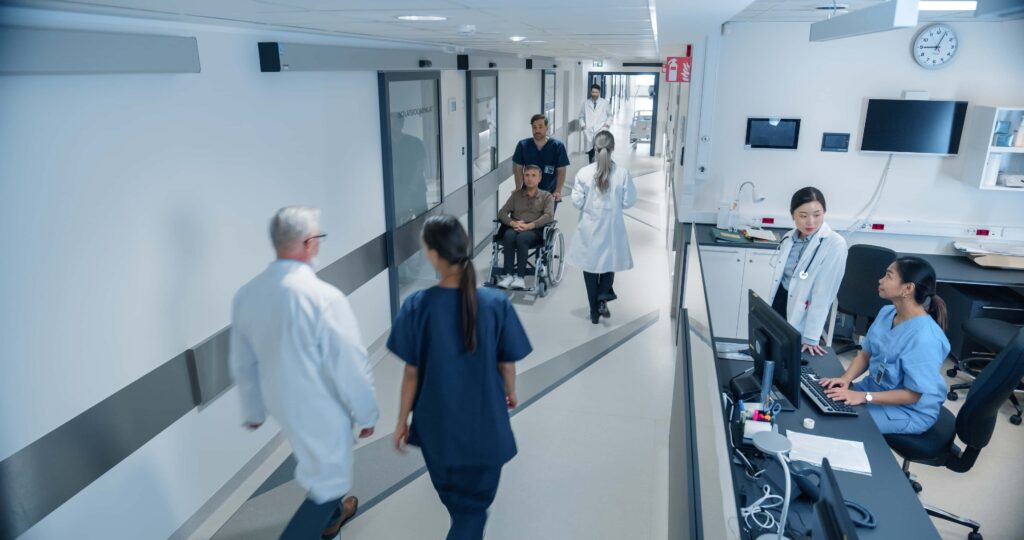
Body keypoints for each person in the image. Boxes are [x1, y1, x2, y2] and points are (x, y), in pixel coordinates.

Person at [229, 206, 379, 540]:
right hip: (321, 406)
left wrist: (254, 410)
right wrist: (366, 412)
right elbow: (351, 362)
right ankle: (326, 519)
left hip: (282, 402)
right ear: (308, 243)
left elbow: (243, 360)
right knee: (328, 482)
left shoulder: (247, 295)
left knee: (321, 469)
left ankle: (334, 515)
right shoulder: (323, 297)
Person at [389, 215, 532, 540]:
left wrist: (401, 421)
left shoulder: (416, 306)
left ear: (434, 255)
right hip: (486, 429)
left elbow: (411, 373)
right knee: (472, 513)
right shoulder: (496, 303)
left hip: (437, 432)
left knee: (461, 510)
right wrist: (510, 393)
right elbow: (507, 365)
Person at [819, 257, 951, 435]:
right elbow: (865, 355)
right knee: (824, 403)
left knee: (840, 423)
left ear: (908, 288)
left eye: (888, 276)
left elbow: (913, 395)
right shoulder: (886, 313)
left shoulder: (926, 339)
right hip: (874, 391)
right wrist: (846, 379)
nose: (881, 280)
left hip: (907, 410)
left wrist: (863, 397)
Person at [767, 187, 848, 356]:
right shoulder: (790, 237)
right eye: (803, 216)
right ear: (792, 215)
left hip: (803, 308)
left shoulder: (834, 244)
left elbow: (824, 294)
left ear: (824, 213)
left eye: (817, 215)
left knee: (789, 359)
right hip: (780, 300)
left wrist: (812, 336)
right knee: (770, 352)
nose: (810, 222)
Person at [566, 130, 637, 324]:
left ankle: (594, 312)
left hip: (589, 228)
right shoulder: (622, 174)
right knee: (608, 263)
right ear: (612, 149)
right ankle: (603, 297)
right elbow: (630, 200)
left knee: (590, 267)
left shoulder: (584, 173)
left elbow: (577, 202)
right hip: (612, 227)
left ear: (595, 148)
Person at [496, 165, 555, 290]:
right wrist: (513, 223)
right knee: (508, 235)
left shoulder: (546, 196)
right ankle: (509, 275)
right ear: (523, 177)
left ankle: (520, 278)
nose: (529, 179)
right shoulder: (516, 195)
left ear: (539, 178)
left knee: (522, 238)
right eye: (527, 175)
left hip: (535, 230)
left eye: (533, 175)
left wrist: (529, 225)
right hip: (516, 226)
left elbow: (549, 216)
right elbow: (501, 212)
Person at [512, 114, 570, 202]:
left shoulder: (557, 146)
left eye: (540, 127)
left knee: (546, 215)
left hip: (549, 194)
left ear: (547, 127)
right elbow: (518, 168)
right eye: (534, 127)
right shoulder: (523, 145)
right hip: (528, 192)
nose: (537, 130)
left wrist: (558, 191)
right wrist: (518, 188)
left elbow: (561, 170)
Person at [577, 84, 613, 163]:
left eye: (596, 92)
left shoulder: (605, 103)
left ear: (599, 92)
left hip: (601, 128)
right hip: (588, 129)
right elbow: (581, 116)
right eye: (593, 92)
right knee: (590, 150)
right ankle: (591, 164)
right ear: (591, 92)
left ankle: (601, 165)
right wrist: (583, 126)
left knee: (601, 149)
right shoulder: (585, 103)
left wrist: (606, 125)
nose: (594, 94)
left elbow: (610, 115)